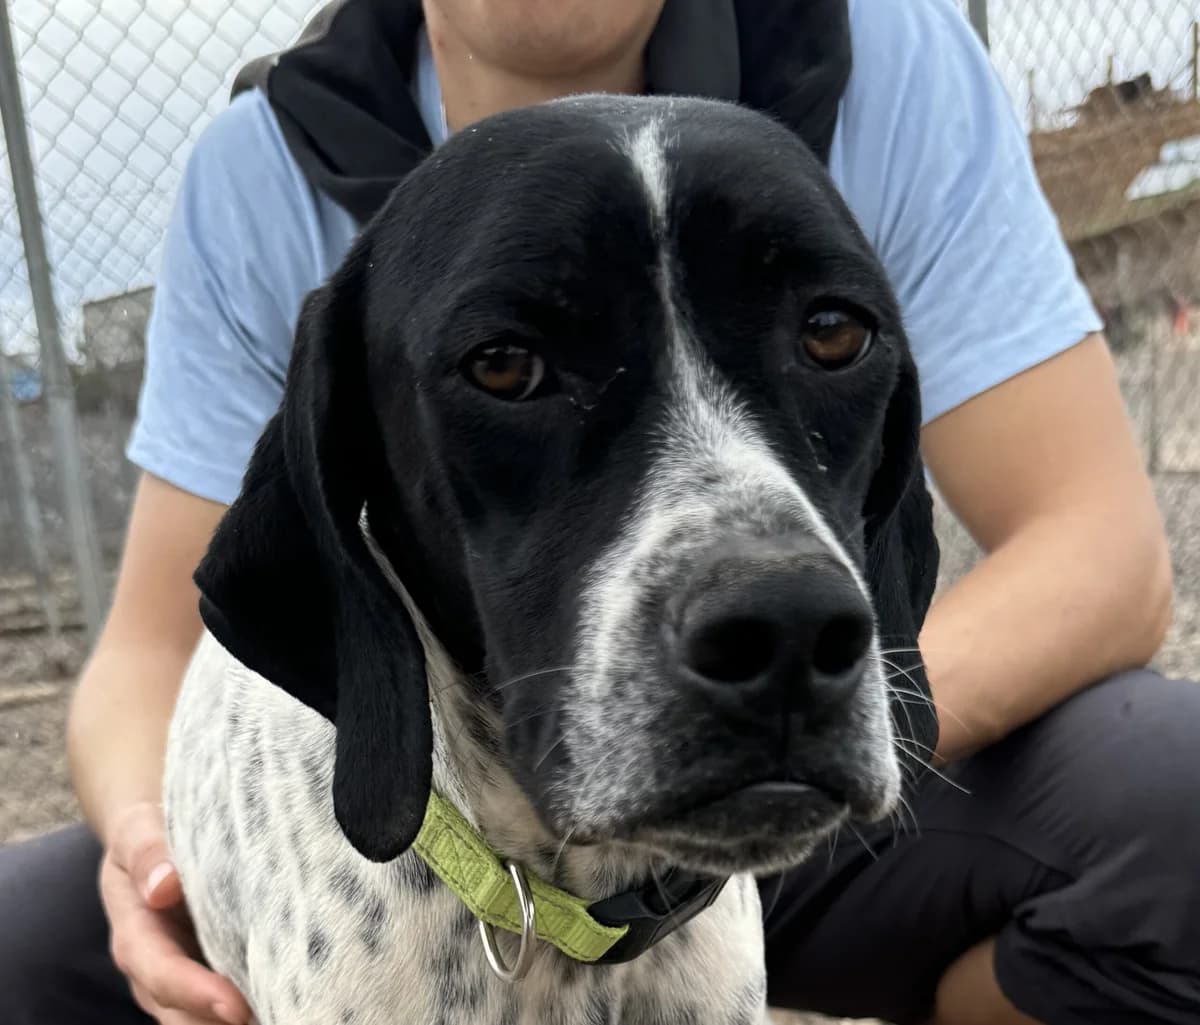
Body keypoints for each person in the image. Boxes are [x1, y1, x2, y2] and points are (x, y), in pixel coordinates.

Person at [1, 0, 1195, 1023]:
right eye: (511, 367)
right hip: (408, 788)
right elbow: (155, 641)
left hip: (827, 787)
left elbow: (1104, 554)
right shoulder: (259, 168)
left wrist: (810, 719)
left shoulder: (888, 53)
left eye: (826, 336)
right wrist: (146, 854)